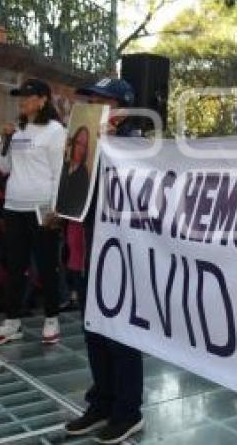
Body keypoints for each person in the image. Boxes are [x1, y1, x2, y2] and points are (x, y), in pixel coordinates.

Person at [63, 77, 145, 444]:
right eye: (90, 100)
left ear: (122, 110)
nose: (94, 107)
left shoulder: (134, 148)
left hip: (118, 259)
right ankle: (102, 402)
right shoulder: (84, 144)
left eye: (102, 102)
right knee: (93, 332)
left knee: (121, 337)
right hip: (84, 252)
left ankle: (128, 411)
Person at [0, 78, 66, 347]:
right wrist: (5, 139)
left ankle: (52, 319)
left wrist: (55, 210)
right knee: (15, 266)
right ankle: (12, 322)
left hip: (42, 207)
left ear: (43, 99)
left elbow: (58, 173)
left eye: (28, 97)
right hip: (14, 206)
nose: (22, 101)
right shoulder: (17, 129)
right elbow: (4, 168)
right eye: (20, 97)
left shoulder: (55, 131)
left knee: (46, 266)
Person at [56, 126, 91, 218]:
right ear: (73, 142)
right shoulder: (64, 164)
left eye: (84, 145)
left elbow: (79, 204)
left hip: (68, 218)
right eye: (78, 143)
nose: (80, 148)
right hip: (53, 215)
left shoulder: (83, 172)